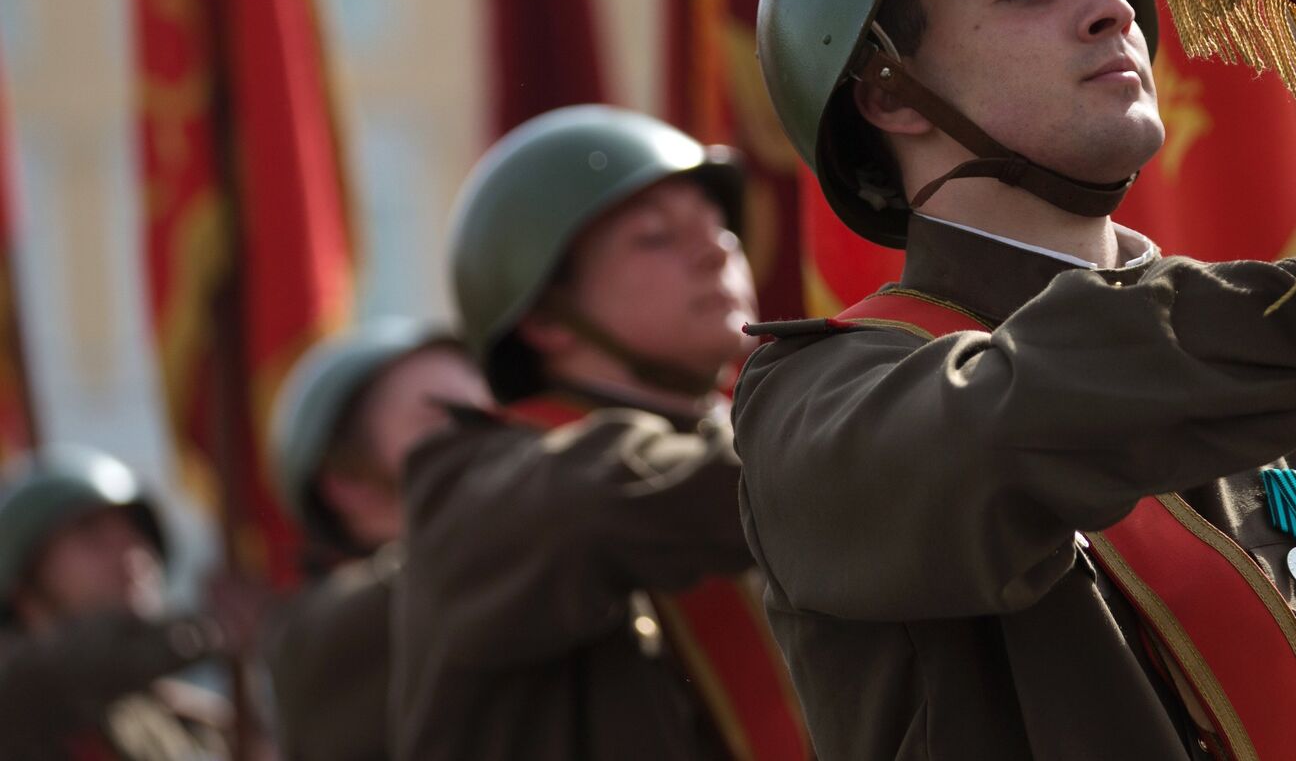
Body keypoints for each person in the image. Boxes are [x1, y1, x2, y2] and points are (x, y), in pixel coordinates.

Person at [738, 0, 1296, 759]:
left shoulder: (1282, 376)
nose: (1116, 7)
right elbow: (1019, 418)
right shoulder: (816, 400)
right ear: (891, 96)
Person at [391, 106, 808, 760]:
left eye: (719, 225)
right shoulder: (473, 488)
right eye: (655, 236)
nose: (717, 250)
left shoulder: (742, 435)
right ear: (545, 319)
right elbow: (614, 493)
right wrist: (867, 435)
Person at [263, 319, 490, 761]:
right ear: (347, 482)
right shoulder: (327, 630)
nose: (488, 441)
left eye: (488, 416)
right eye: (442, 421)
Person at [0, 446, 261, 760]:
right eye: (92, 535)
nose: (131, 551)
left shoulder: (197, 724)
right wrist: (215, 628)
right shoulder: (17, 694)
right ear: (25, 588)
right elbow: (92, 657)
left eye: (135, 532)